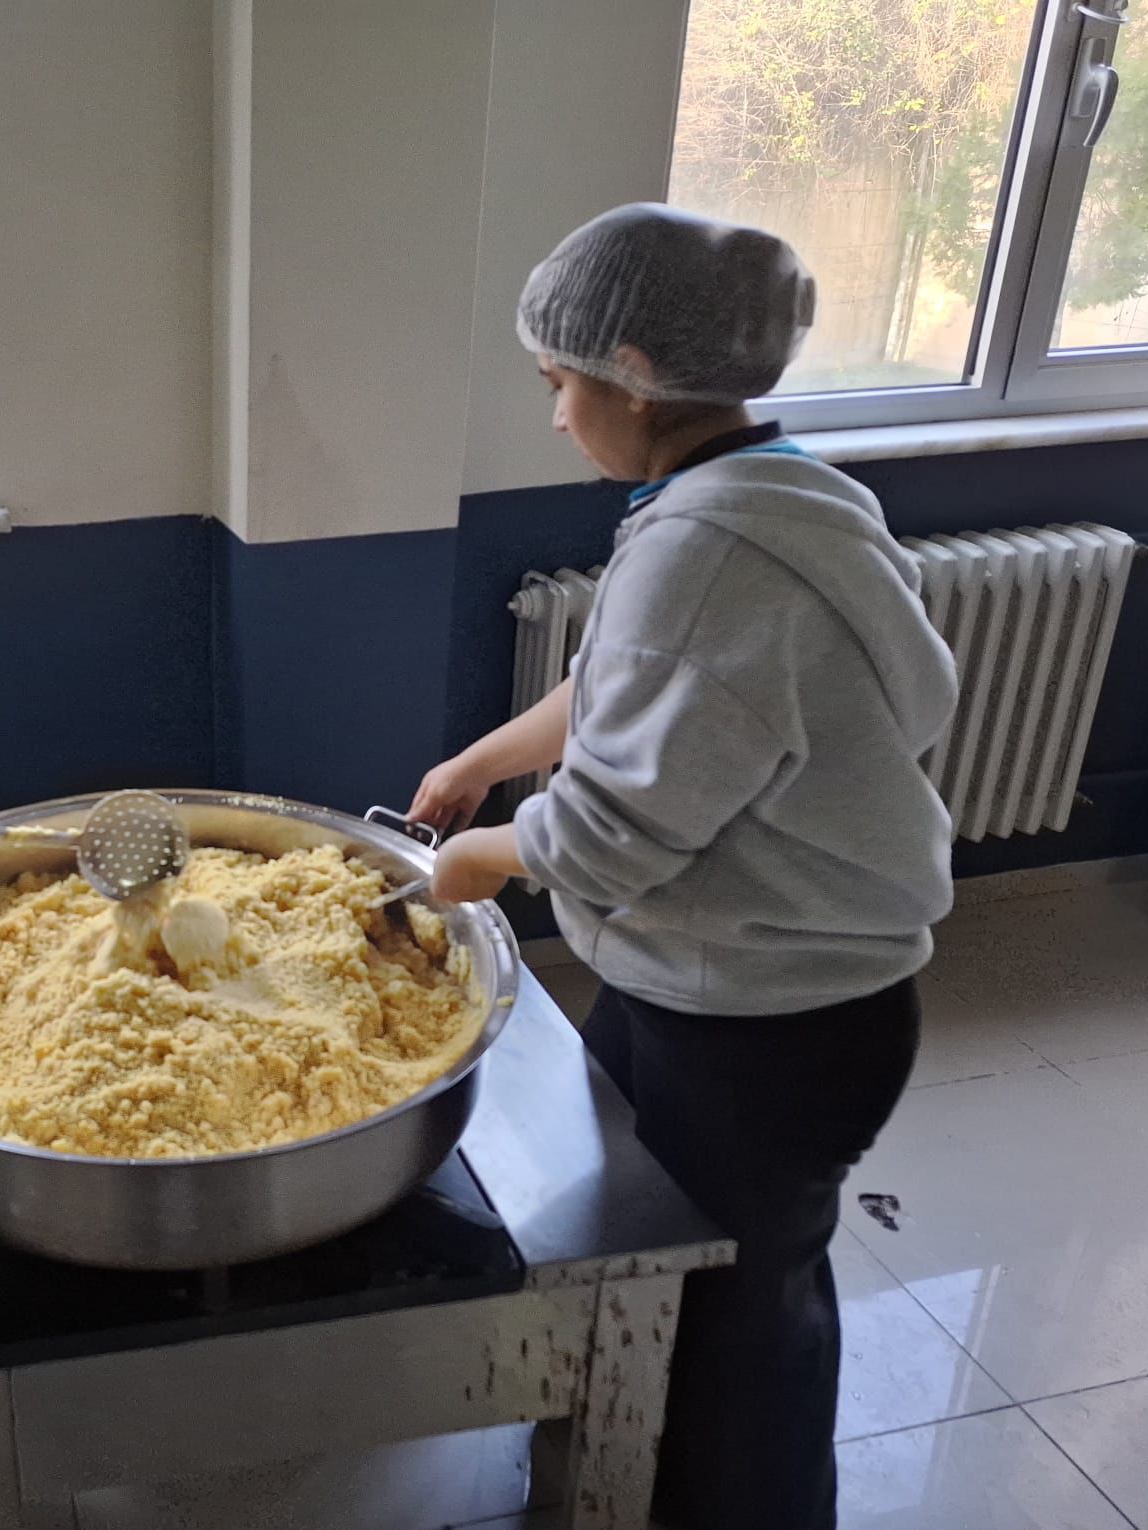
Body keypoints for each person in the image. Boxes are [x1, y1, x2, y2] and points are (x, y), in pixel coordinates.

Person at [410, 204, 957, 1530]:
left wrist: (467, 860)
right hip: (735, 983)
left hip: (775, 1019)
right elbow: (629, 683)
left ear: (637, 373)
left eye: (558, 384)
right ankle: (623, 1465)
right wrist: (483, 760)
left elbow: (606, 834)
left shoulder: (708, 553)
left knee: (738, 1318)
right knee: (650, 1252)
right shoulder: (775, 494)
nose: (555, 418)